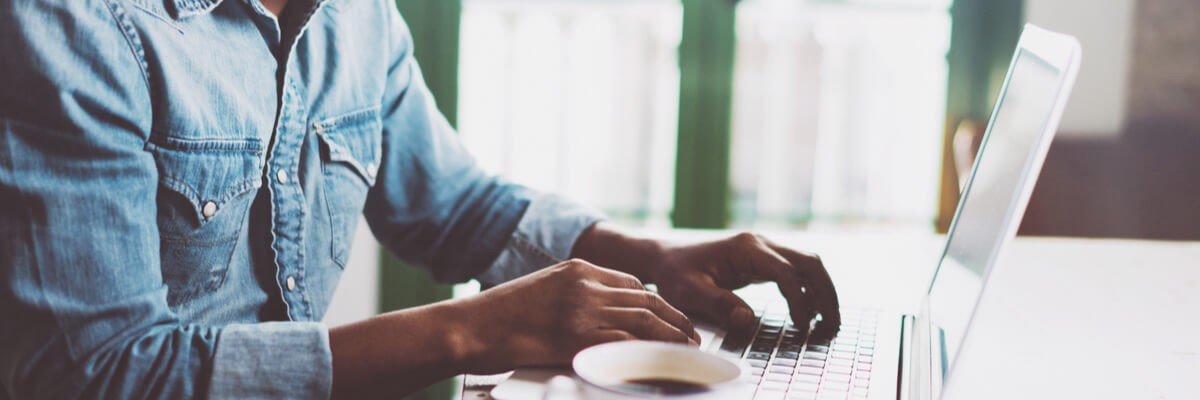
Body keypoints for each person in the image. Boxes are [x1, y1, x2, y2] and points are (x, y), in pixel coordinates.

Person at [0, 0, 840, 398]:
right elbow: (89, 376)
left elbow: (458, 209)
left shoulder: (359, 18)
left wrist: (647, 257)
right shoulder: (70, 23)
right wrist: (474, 328)